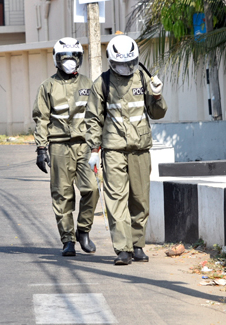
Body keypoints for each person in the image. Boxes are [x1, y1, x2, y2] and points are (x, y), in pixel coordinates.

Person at [84, 35, 167, 265]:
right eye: (120, 64)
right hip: (113, 149)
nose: (126, 68)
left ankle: (138, 245)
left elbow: (157, 113)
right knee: (116, 199)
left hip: (140, 147)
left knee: (139, 199)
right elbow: (92, 118)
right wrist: (93, 149)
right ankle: (123, 248)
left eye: (129, 63)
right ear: (111, 61)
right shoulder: (102, 83)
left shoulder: (143, 78)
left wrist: (157, 95)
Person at [33, 37, 99, 257]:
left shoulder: (87, 84)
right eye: (65, 57)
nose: (70, 61)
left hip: (83, 146)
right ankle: (68, 239)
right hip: (59, 146)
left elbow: (96, 116)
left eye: (74, 56)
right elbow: (41, 119)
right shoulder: (47, 86)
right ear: (57, 59)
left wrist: (98, 145)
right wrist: (41, 149)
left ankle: (83, 231)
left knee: (92, 188)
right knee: (62, 194)